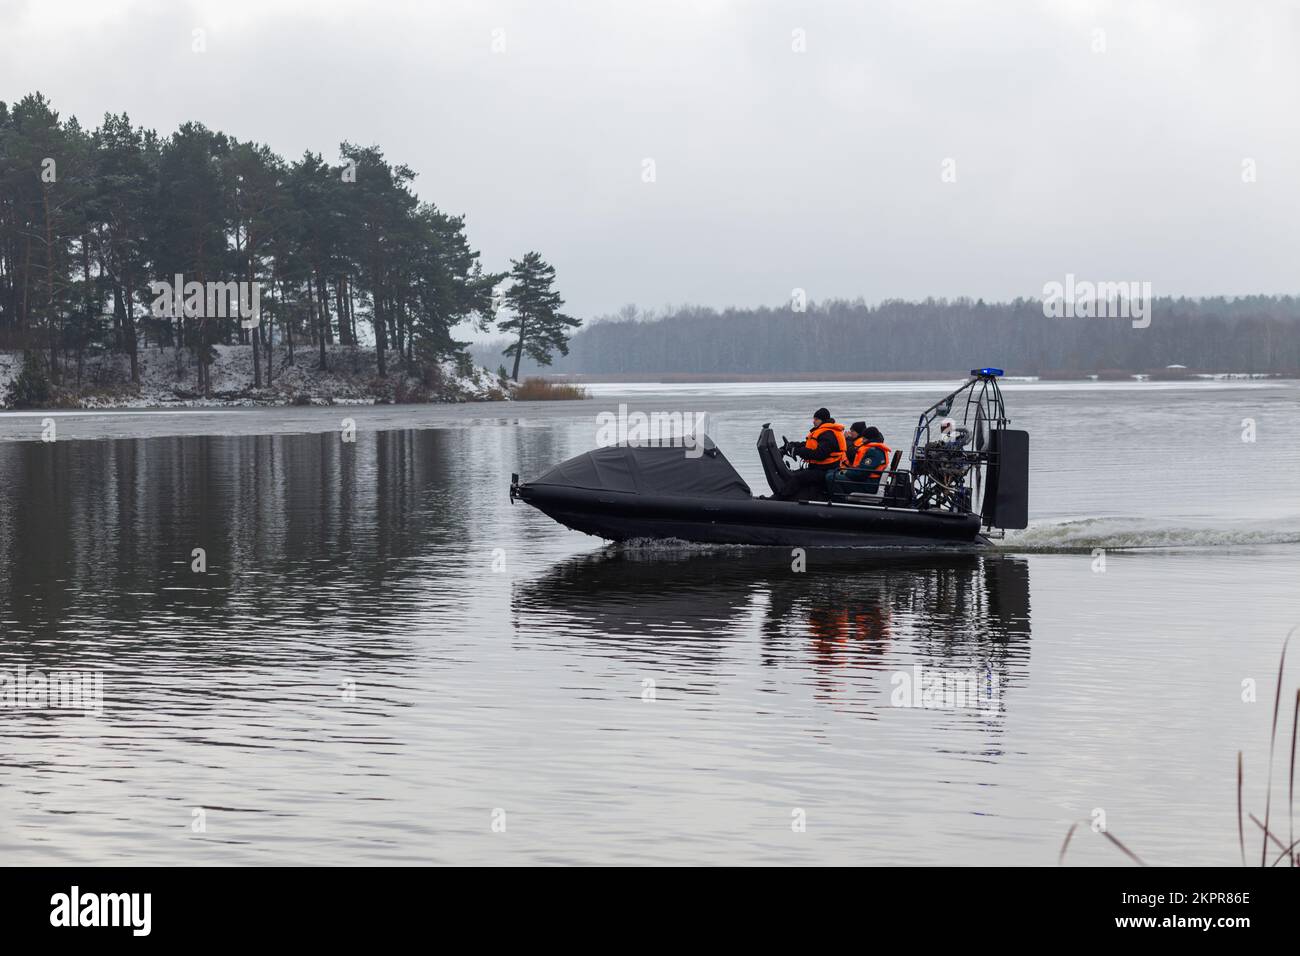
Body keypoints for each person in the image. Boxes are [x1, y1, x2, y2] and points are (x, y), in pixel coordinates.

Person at [777, 407, 846, 499]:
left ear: (823, 420)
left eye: (816, 419)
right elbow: (809, 445)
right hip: (820, 468)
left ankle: (780, 498)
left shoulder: (828, 434)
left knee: (798, 477)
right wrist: (793, 445)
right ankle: (791, 497)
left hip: (827, 470)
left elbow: (820, 454)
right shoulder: (824, 432)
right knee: (794, 474)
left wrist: (798, 451)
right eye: (814, 419)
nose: (813, 421)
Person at [833, 425, 891, 493]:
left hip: (869, 485)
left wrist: (846, 472)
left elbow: (861, 474)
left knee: (832, 477)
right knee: (832, 473)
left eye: (864, 439)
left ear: (869, 439)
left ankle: (839, 500)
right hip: (868, 481)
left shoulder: (874, 452)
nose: (862, 441)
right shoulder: (874, 449)